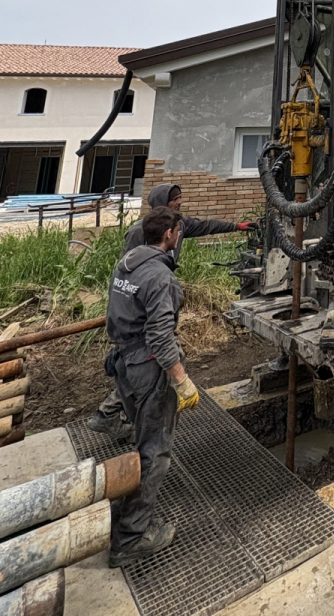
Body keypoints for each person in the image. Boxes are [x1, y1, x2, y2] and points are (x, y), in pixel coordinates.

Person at [88, 183, 256, 436]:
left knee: (145, 359)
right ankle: (125, 423)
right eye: (174, 199)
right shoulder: (139, 232)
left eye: (179, 198)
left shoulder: (179, 223)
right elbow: (126, 270)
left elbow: (205, 225)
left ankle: (117, 416)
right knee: (147, 360)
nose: (179, 203)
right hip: (140, 301)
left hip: (156, 294)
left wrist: (237, 226)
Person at [106, 205, 200, 567]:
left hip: (123, 365)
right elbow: (161, 337)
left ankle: (125, 512)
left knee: (141, 439)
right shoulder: (160, 278)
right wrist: (181, 381)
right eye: (179, 230)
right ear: (170, 235)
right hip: (147, 369)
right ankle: (131, 537)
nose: (180, 235)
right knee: (155, 450)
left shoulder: (127, 263)